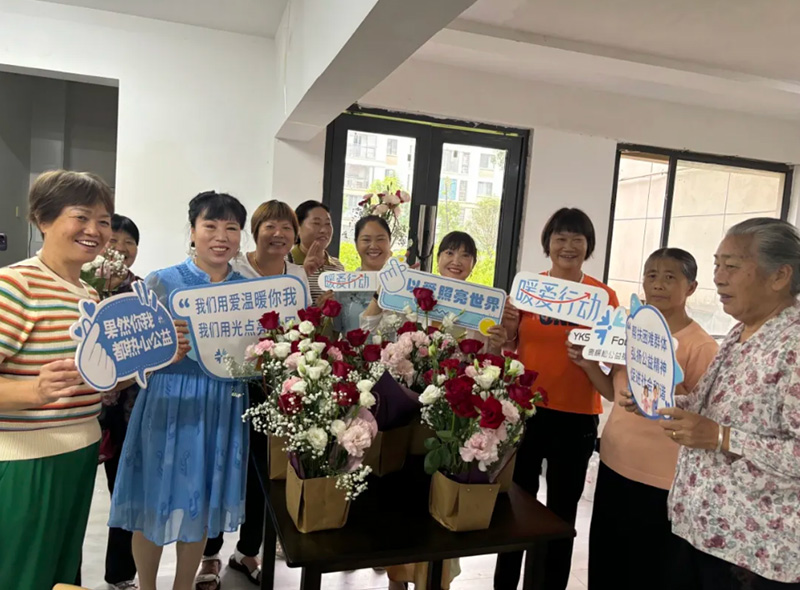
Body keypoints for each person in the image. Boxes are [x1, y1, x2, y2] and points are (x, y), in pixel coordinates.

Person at [621, 218, 800, 589]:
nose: (718, 278)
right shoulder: (740, 332)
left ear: (780, 275)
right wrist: (660, 401)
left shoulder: (793, 345)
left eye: (731, 266)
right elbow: (707, 404)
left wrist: (722, 437)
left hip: (756, 550)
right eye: (717, 265)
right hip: (703, 529)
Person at [109, 191, 248, 590]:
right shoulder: (161, 282)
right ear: (192, 231)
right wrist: (164, 353)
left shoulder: (248, 290)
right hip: (168, 400)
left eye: (231, 228)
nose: (220, 236)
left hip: (222, 402)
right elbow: (132, 355)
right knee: (153, 502)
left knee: (198, 506)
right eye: (210, 225)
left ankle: (183, 586)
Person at [363, 231, 510, 590]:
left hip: (451, 423)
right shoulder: (415, 294)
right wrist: (381, 297)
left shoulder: (482, 307)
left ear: (474, 263)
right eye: (449, 252)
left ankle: (436, 578)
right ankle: (398, 576)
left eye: (465, 255)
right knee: (404, 496)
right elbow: (369, 329)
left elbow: (488, 365)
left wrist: (497, 345)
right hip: (407, 419)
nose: (456, 261)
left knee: (443, 499)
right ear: (438, 258)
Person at [0, 170, 114, 590]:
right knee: (22, 575)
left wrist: (151, 358)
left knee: (60, 575)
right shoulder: (15, 286)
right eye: (81, 217)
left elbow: (91, 383)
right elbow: (40, 388)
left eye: (103, 221)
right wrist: (32, 390)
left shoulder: (89, 295)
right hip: (26, 461)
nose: (94, 230)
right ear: (43, 219)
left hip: (79, 453)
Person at [495, 208, 617, 590]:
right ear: (548, 243)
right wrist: (509, 329)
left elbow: (611, 356)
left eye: (577, 239)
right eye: (560, 238)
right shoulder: (528, 289)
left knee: (561, 512)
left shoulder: (603, 297)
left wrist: (593, 353)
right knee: (514, 504)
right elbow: (511, 345)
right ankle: (505, 584)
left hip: (577, 416)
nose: (568, 246)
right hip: (526, 409)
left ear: (588, 246)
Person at [195, 200, 309, 589]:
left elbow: (305, 329)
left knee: (264, 471)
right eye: (269, 226)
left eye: (287, 228)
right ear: (255, 231)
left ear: (295, 236)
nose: (278, 234)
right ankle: (209, 553)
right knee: (221, 465)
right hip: (229, 384)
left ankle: (247, 550)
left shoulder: (298, 276)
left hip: (274, 388)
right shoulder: (234, 270)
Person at [588, 248, 718, 590]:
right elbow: (613, 392)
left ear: (691, 287)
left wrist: (664, 401)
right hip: (614, 460)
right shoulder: (632, 331)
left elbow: (707, 417)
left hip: (662, 477)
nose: (658, 284)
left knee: (649, 568)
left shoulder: (700, 346)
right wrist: (587, 363)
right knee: (607, 559)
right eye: (651, 275)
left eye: (670, 277)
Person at [99, 214, 144, 590]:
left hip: (126, 410)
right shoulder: (80, 286)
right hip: (79, 410)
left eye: (129, 242)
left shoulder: (141, 291)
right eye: (114, 240)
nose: (121, 248)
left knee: (124, 493)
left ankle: (120, 575)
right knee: (71, 500)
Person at [335, 215, 393, 334]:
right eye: (366, 240)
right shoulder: (344, 285)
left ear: (389, 242)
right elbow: (333, 333)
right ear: (356, 244)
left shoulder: (400, 285)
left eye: (380, 239)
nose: (373, 246)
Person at [288, 200, 344, 305]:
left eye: (328, 224)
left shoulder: (337, 266)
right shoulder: (285, 263)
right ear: (298, 228)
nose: (324, 230)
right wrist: (316, 311)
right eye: (316, 223)